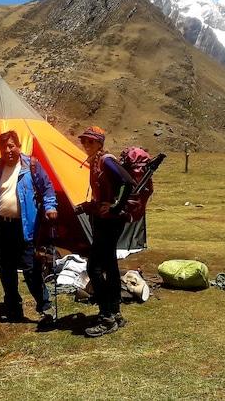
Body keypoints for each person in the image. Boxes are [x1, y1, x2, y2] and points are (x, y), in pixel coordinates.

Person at [0, 130, 58, 328]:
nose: (8, 150)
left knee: (31, 270)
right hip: (0, 227)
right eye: (4, 147)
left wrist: (50, 207)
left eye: (11, 146)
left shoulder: (30, 165)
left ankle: (46, 307)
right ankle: (14, 309)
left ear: (18, 146)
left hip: (24, 228)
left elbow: (47, 188)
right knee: (6, 272)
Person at [76, 126, 136, 338]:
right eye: (84, 141)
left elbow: (128, 182)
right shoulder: (96, 162)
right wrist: (88, 206)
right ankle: (116, 313)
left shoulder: (106, 160)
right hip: (105, 221)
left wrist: (115, 207)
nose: (86, 145)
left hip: (110, 222)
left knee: (94, 267)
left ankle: (106, 317)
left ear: (100, 143)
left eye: (90, 142)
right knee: (110, 265)